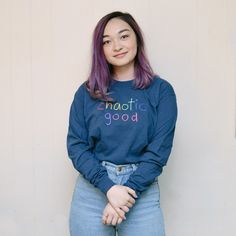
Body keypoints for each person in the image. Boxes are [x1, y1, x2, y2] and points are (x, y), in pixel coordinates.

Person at [66, 11, 178, 236]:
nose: (116, 46)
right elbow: (76, 146)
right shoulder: (86, 93)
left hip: (141, 190)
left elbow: (158, 153)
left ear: (137, 38)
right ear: (101, 49)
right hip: (92, 190)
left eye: (123, 36)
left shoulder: (161, 91)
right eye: (107, 41)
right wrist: (109, 188)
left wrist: (125, 194)